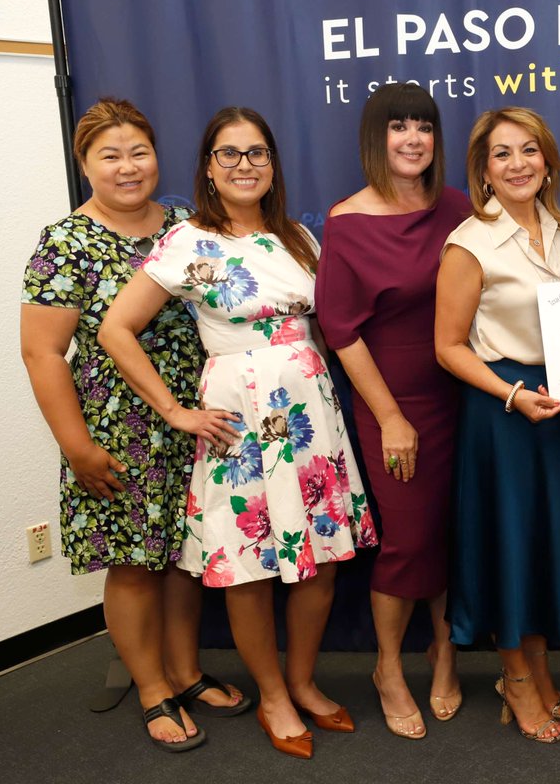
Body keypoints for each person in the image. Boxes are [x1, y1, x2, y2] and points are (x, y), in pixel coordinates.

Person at [99, 106, 378, 760]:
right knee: (249, 565)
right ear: (208, 168)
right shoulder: (187, 242)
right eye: (229, 154)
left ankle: (304, 683)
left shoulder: (302, 239)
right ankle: (273, 695)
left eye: (256, 153)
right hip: (239, 420)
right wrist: (175, 411)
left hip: (308, 414)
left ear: (274, 165)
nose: (244, 164)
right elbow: (115, 330)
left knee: (321, 562)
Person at [20, 98, 247, 753]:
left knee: (183, 558)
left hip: (194, 419)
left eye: (138, 152)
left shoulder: (183, 225)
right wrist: (77, 447)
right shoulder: (67, 241)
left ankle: (185, 671)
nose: (127, 168)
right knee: (132, 565)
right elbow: (41, 353)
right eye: (109, 156)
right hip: (117, 431)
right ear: (84, 163)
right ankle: (151, 688)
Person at [434, 107, 560, 744]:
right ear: (483, 169)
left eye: (528, 150)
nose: (517, 164)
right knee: (509, 544)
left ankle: (537, 664)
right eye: (501, 154)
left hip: (559, 405)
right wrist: (511, 394)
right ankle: (514, 677)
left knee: (547, 541)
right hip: (501, 408)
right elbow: (448, 346)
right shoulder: (468, 242)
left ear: (548, 159)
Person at [316, 83, 470, 740]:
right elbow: (341, 331)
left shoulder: (461, 208)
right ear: (375, 139)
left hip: (465, 393)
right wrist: (391, 417)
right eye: (398, 127)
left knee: (453, 532)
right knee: (408, 538)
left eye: (424, 127)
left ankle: (445, 653)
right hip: (395, 403)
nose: (413, 139)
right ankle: (387, 667)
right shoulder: (346, 222)